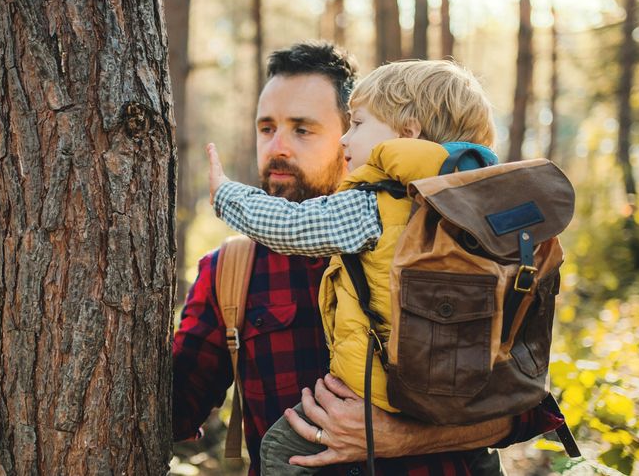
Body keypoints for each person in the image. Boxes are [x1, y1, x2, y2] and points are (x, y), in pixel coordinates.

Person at [171, 42, 563, 475]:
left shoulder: (460, 243)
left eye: (303, 130)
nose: (278, 146)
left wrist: (404, 437)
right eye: (267, 128)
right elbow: (170, 410)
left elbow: (528, 404)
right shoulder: (231, 272)